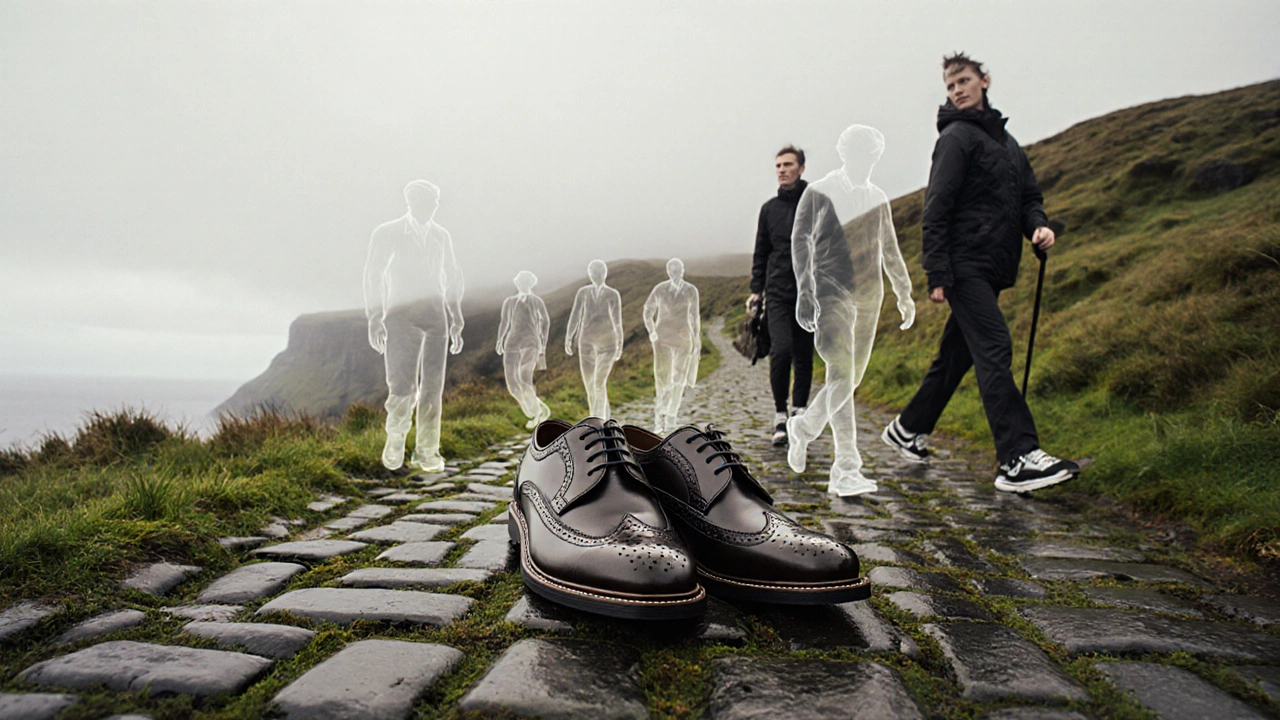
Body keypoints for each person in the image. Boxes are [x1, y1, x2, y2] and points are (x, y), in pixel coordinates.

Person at [880, 53, 1079, 493]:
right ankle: (1017, 458)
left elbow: (1028, 196)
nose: (958, 91)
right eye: (951, 86)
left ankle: (909, 427)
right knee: (994, 346)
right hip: (964, 265)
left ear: (985, 81)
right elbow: (936, 208)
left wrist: (1038, 226)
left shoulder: (1007, 144)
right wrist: (937, 273)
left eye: (964, 81)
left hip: (993, 266)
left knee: (957, 354)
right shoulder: (956, 138)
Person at [787, 125, 915, 497]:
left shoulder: (878, 197)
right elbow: (800, 240)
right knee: (841, 372)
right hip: (831, 291)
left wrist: (904, 293)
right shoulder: (819, 191)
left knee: (850, 379)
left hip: (869, 296)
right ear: (844, 153)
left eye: (871, 154)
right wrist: (805, 290)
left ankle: (804, 428)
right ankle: (845, 468)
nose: (865, 160)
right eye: (858, 152)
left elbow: (889, 248)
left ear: (876, 156)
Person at [362, 180, 465, 472]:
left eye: (435, 202)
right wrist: (374, 316)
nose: (432, 207)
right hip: (400, 315)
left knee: (433, 387)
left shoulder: (441, 236)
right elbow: (373, 274)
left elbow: (452, 275)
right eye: (426, 201)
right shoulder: (387, 232)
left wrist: (456, 318)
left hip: (435, 316)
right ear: (410, 201)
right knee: (401, 384)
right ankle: (396, 440)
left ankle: (427, 450)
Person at [748, 146, 815, 446]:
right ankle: (780, 415)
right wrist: (756, 290)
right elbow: (761, 251)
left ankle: (799, 413)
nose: (782, 170)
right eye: (778, 165)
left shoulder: (816, 205)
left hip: (809, 293)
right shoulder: (769, 209)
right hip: (776, 292)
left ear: (801, 168)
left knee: (804, 355)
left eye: (788, 164)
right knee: (782, 350)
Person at [643, 258, 701, 433]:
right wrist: (652, 331)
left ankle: (671, 417)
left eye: (679, 270)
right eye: (673, 270)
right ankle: (659, 417)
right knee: (663, 378)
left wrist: (696, 339)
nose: (677, 273)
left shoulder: (691, 290)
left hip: (683, 339)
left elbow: (695, 316)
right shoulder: (660, 289)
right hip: (663, 339)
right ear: (668, 272)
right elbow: (648, 310)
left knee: (679, 379)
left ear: (683, 271)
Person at [565, 259, 624, 419]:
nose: (596, 275)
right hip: (586, 343)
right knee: (590, 385)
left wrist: (619, 344)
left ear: (605, 273)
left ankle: (598, 422)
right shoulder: (583, 293)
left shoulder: (613, 294)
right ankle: (603, 419)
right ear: (589, 274)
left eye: (599, 272)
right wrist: (569, 337)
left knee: (599, 383)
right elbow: (575, 315)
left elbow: (617, 321)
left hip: (608, 344)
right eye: (593, 272)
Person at [496, 270, 551, 429]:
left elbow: (545, 322)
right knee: (512, 383)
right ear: (517, 282)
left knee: (524, 377)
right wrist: (500, 340)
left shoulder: (536, 301)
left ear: (530, 283)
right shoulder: (509, 302)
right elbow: (504, 322)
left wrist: (543, 343)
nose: (522, 284)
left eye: (525, 281)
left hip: (531, 343)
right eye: (520, 281)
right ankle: (537, 410)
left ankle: (535, 414)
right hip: (512, 344)